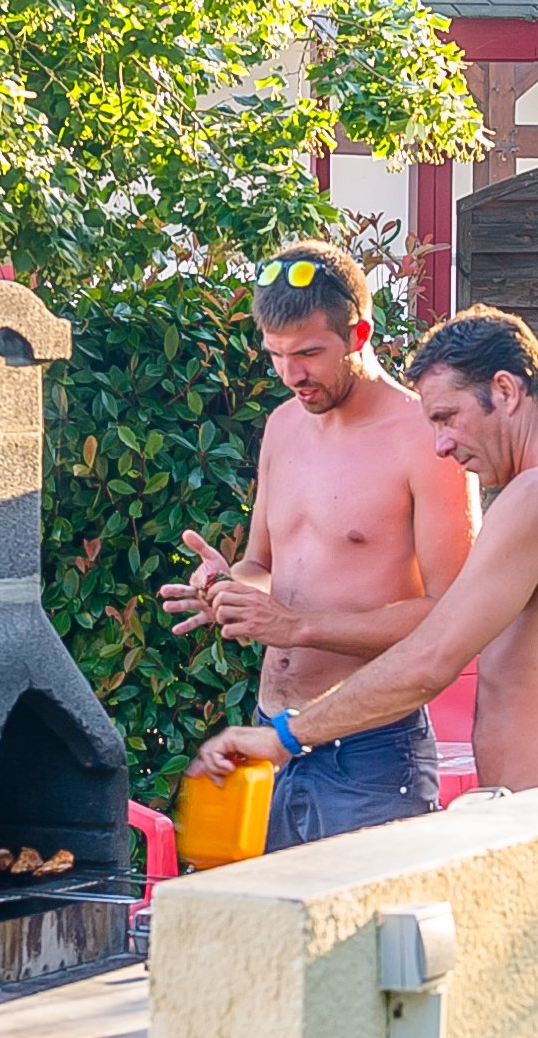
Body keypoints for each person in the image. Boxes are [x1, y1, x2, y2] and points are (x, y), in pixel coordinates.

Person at [192, 307, 538, 801]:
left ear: (505, 391)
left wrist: (284, 736)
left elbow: (429, 661)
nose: (441, 446)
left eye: (446, 418)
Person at [159, 242, 479, 845]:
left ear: (359, 334)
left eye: (308, 353)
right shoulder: (283, 425)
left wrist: (298, 626)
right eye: (276, 355)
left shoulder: (425, 439)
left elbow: (455, 614)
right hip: (270, 738)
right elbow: (261, 565)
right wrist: (227, 588)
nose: (291, 375)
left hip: (369, 754)